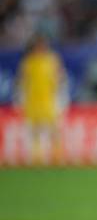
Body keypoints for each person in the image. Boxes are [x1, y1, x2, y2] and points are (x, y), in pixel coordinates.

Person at [15, 34, 67, 165]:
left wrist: (62, 96)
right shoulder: (28, 62)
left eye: (42, 45)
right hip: (33, 100)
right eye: (38, 45)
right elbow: (22, 81)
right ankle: (36, 157)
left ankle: (57, 156)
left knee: (54, 128)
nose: (40, 48)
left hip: (49, 99)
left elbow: (60, 78)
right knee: (35, 129)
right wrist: (19, 98)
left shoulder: (52, 60)